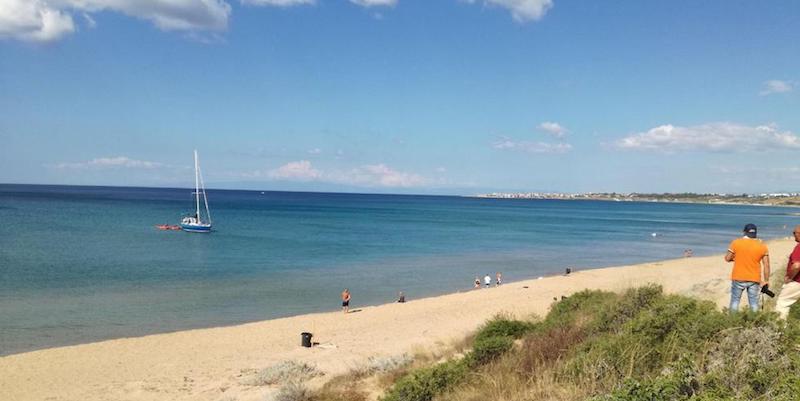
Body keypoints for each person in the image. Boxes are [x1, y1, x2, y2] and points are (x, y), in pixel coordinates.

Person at [724, 223, 770, 313]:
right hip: (754, 278)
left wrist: (736, 259)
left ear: (744, 232)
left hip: (738, 277)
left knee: (735, 301)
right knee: (753, 303)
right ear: (755, 233)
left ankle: (732, 321)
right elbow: (766, 265)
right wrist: (766, 280)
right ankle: (754, 321)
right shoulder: (762, 245)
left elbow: (727, 258)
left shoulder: (736, 243)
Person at [776, 225, 800, 319]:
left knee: (782, 304)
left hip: (796, 282)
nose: (793, 235)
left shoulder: (799, 247)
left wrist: (789, 277)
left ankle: (780, 330)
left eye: (794, 233)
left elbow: (797, 265)